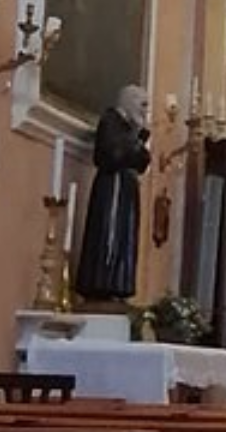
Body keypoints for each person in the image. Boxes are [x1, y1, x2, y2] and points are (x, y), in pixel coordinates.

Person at [75, 85, 152, 306]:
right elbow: (112, 155)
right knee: (108, 235)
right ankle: (102, 284)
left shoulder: (132, 129)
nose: (145, 110)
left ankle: (119, 285)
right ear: (128, 100)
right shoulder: (111, 121)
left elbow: (143, 161)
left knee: (125, 236)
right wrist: (136, 141)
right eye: (142, 104)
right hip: (112, 188)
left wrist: (138, 140)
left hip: (127, 189)